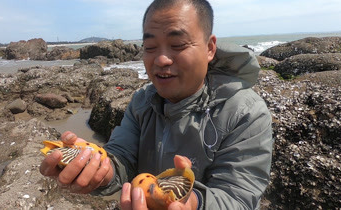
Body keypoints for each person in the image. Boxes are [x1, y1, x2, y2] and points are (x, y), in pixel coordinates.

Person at [40, 0, 273, 209]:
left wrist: (192, 203)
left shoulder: (246, 113)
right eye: (150, 48)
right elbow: (122, 158)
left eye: (178, 44)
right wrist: (98, 169)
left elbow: (238, 197)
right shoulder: (143, 101)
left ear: (210, 48)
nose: (161, 59)